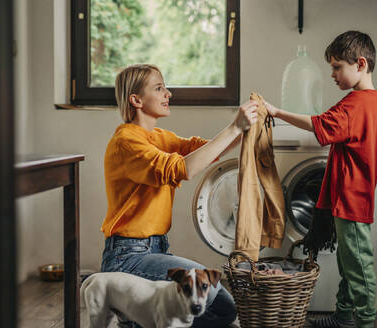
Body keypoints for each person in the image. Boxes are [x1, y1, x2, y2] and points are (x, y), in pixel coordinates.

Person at [100, 63, 258, 328]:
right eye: (159, 88)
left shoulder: (158, 137)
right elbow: (183, 168)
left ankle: (141, 317)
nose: (168, 93)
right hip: (127, 258)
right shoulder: (127, 141)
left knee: (225, 310)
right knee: (213, 298)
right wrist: (234, 127)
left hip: (156, 249)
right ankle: (136, 313)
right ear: (136, 99)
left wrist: (247, 127)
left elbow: (207, 150)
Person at [263, 31, 377, 328]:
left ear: (360, 64)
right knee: (348, 263)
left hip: (351, 200)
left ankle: (366, 323)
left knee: (359, 268)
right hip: (350, 199)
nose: (332, 74)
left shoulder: (356, 104)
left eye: (337, 67)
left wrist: (276, 111)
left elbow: (319, 126)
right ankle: (343, 318)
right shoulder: (368, 102)